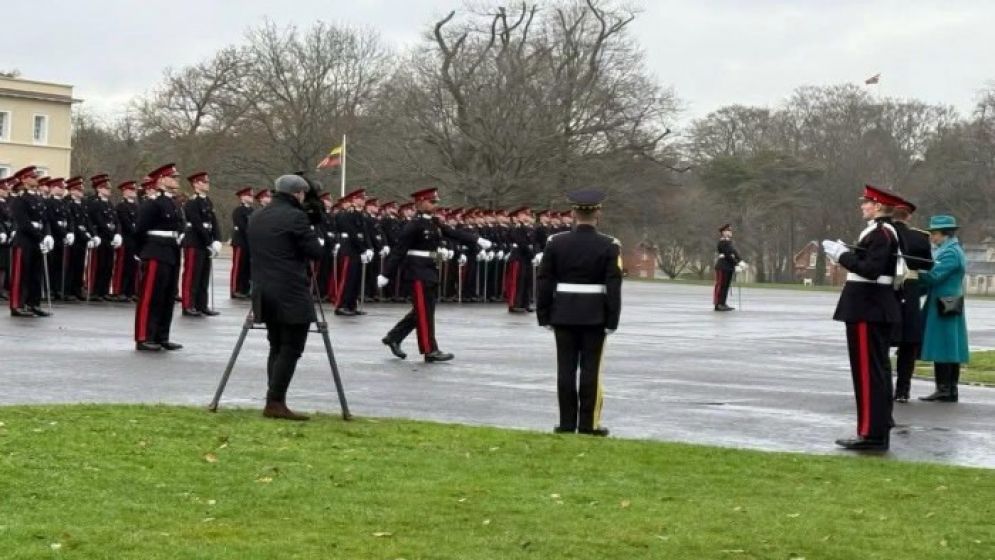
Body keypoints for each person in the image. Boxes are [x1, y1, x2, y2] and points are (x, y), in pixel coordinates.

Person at [821, 185, 902, 451]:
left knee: (868, 373)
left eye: (866, 203)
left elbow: (870, 270)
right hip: (869, 306)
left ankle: (871, 433)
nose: (862, 206)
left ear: (878, 206)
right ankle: (876, 427)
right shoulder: (878, 232)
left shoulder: (881, 233)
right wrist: (848, 251)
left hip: (868, 306)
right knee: (874, 371)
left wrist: (841, 255)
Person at [536, 190, 623, 437]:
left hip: (563, 311)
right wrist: (612, 319)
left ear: (573, 213)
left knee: (565, 369)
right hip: (595, 313)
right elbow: (613, 286)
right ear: (598, 213)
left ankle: (565, 423)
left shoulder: (556, 242)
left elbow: (544, 280)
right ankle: (588, 424)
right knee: (590, 370)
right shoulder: (609, 245)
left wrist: (544, 314)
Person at [377, 187, 492, 362]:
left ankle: (394, 337)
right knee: (424, 313)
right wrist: (386, 274)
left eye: (435, 202)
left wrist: (476, 240)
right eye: (431, 202)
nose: (435, 205)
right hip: (417, 271)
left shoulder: (434, 222)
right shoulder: (413, 225)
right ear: (420, 203)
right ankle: (429, 350)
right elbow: (399, 251)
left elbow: (454, 233)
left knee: (423, 311)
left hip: (430, 269)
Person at [247, 175, 325, 420]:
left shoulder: (257, 215)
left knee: (276, 345)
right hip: (290, 290)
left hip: (263, 288)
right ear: (299, 194)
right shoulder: (296, 217)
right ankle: (275, 401)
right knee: (291, 348)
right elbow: (315, 252)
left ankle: (274, 397)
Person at [917, 215, 969, 403]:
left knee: (943, 346)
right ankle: (949, 389)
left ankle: (945, 388)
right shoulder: (950, 249)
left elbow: (934, 276)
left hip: (944, 302)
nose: (932, 237)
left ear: (945, 234)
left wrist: (914, 272)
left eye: (935, 233)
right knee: (949, 346)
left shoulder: (950, 252)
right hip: (947, 301)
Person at [134, 164, 185, 352]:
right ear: (162, 180)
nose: (176, 181)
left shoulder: (173, 202)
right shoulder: (153, 203)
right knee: (150, 297)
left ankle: (161, 336)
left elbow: (179, 225)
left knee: (167, 296)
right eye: (173, 178)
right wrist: (141, 252)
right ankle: (144, 336)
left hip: (171, 250)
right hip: (155, 250)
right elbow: (139, 230)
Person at [891, 198, 933, 403]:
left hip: (888, 288)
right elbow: (929, 265)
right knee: (908, 343)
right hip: (910, 289)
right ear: (908, 217)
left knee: (881, 340)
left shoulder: (884, 233)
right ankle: (902, 390)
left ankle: (879, 386)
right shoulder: (919, 237)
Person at [7, 166, 53, 317]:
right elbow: (24, 223)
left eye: (36, 177)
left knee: (35, 274)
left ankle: (33, 303)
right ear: (24, 180)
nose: (36, 179)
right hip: (24, 241)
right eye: (33, 177)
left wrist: (47, 235)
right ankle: (17, 305)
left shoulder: (39, 199)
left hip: (37, 240)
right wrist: (40, 237)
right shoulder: (19, 200)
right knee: (22, 274)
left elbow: (45, 220)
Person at [181, 171, 221, 317]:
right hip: (194, 242)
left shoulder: (207, 201)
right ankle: (188, 305)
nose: (207, 184)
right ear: (196, 184)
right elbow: (197, 224)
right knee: (192, 275)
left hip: (205, 241)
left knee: (204, 275)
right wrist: (209, 242)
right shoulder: (192, 202)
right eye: (204, 182)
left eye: (207, 182)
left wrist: (217, 239)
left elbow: (214, 222)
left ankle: (201, 305)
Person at [113, 181, 140, 302]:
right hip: (126, 238)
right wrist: (136, 229)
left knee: (133, 266)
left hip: (135, 240)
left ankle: (130, 291)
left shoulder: (137, 206)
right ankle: (120, 290)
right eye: (131, 190)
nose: (133, 192)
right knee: (123, 266)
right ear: (124, 192)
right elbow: (126, 223)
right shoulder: (121, 206)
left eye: (134, 190)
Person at [230, 187, 254, 299]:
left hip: (249, 243)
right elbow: (243, 227)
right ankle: (235, 289)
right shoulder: (238, 211)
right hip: (240, 242)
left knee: (247, 268)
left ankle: (245, 289)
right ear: (243, 197)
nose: (251, 197)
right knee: (238, 267)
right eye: (249, 195)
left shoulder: (252, 211)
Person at [713, 224, 743, 311]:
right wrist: (736, 264)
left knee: (726, 286)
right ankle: (718, 304)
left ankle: (723, 303)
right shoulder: (722, 242)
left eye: (730, 231)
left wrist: (741, 262)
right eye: (728, 231)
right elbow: (728, 255)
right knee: (720, 286)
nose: (730, 232)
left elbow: (735, 253)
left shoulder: (729, 242)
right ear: (723, 233)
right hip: (722, 266)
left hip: (729, 267)